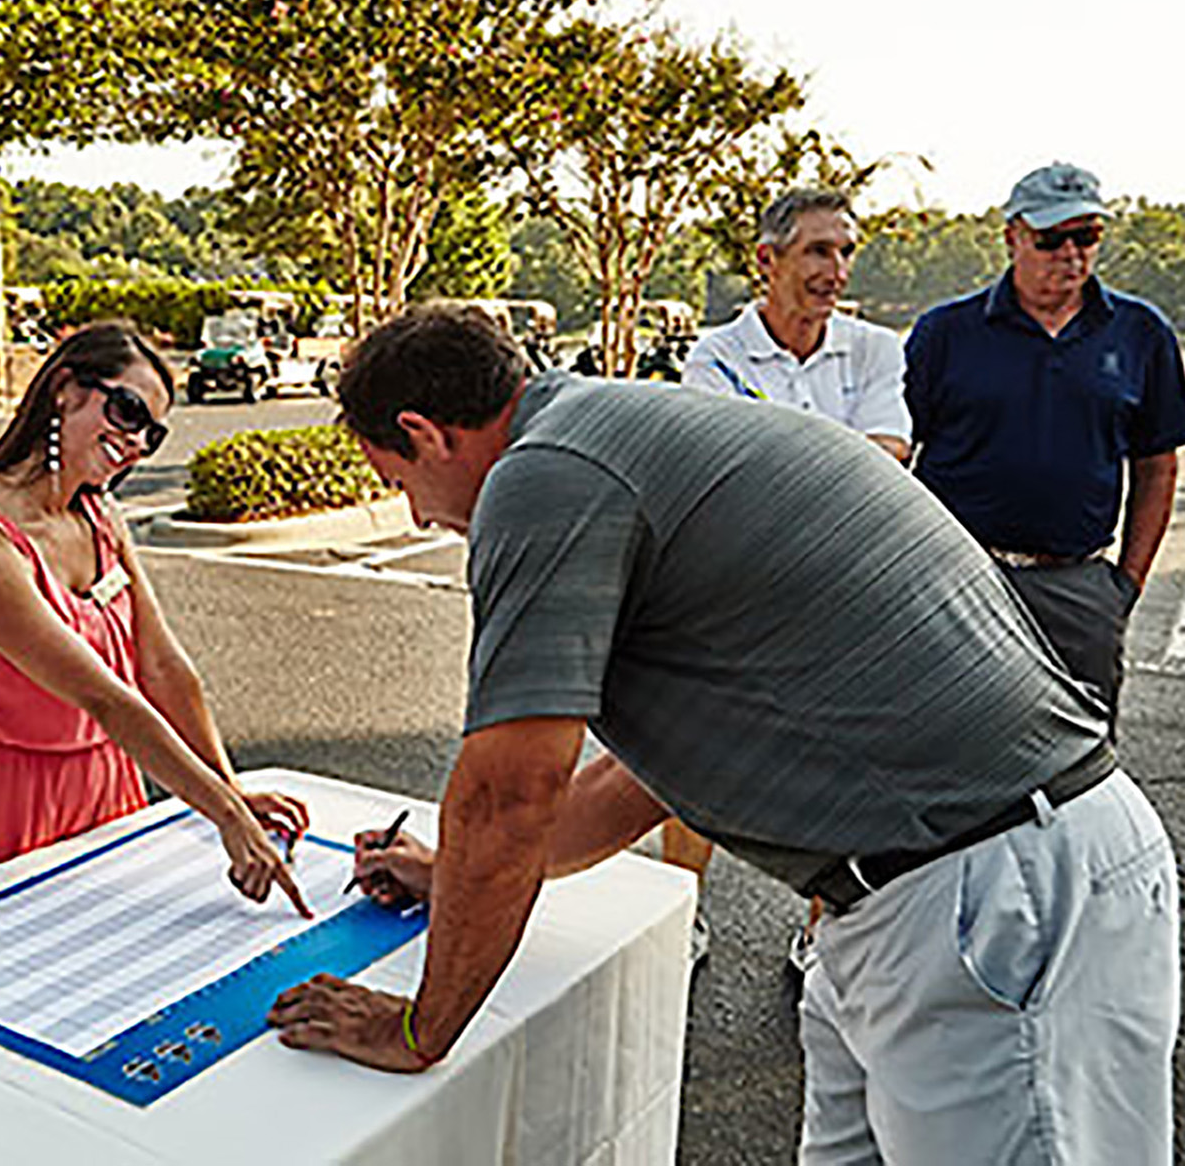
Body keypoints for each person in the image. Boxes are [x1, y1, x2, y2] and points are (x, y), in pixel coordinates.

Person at [269, 304, 1175, 1163]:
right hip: (952, 886)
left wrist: (420, 1026)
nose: (419, 517)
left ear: (425, 432)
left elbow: (511, 792)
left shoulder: (544, 472)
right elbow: (640, 781)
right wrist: (452, 876)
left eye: (399, 484)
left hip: (989, 895)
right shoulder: (621, 428)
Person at [0, 322, 311, 916]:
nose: (137, 441)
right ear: (64, 390)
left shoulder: (101, 515)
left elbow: (162, 666)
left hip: (110, 784)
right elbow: (103, 696)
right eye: (127, 411)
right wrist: (224, 814)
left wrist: (232, 789)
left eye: (153, 432)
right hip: (2, 805)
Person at [673, 188, 911, 973]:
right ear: (767, 260)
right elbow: (720, 477)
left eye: (845, 251)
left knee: (840, 772)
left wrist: (777, 458)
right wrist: (834, 462)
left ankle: (822, 933)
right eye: (817, 250)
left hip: (845, 603)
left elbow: (888, 459)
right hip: (736, 599)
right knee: (697, 763)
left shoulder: (875, 350)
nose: (836, 270)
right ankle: (681, 916)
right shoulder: (715, 355)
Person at [907, 162, 1185, 730]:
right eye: (1051, 239)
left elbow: (1157, 465)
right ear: (1011, 237)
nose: (1071, 254)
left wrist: (1122, 588)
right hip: (957, 583)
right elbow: (894, 455)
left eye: (1087, 236)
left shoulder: (1141, 333)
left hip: (1077, 589)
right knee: (947, 744)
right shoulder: (944, 333)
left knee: (1076, 760)